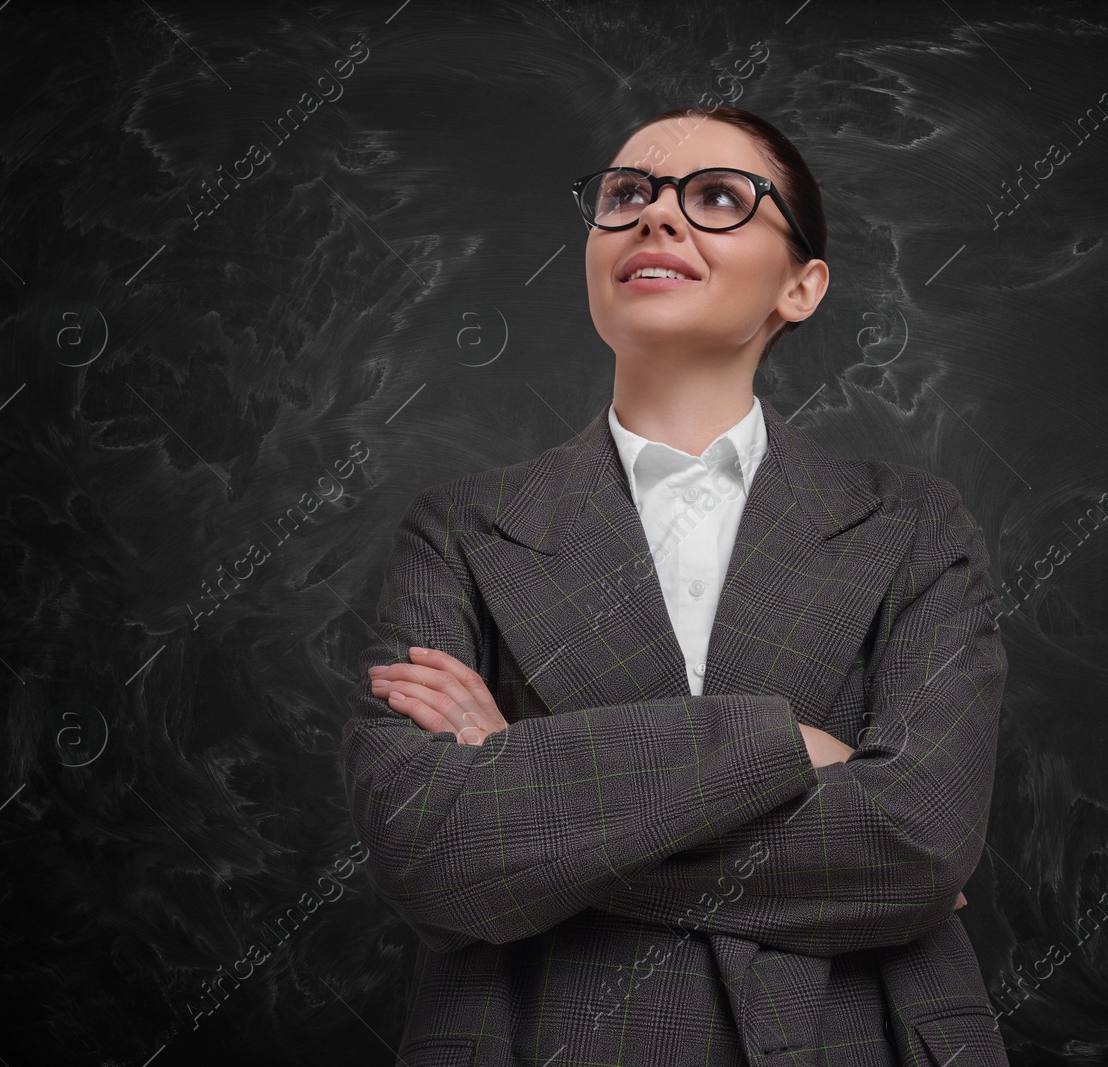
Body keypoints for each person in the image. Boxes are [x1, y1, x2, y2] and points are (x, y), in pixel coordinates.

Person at [340, 104, 1010, 1066]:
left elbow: (915, 846)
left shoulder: (915, 526)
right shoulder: (457, 531)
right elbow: (430, 851)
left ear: (802, 285)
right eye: (626, 195)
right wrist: (776, 744)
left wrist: (531, 767)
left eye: (717, 198)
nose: (656, 217)